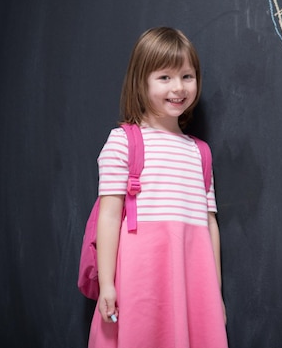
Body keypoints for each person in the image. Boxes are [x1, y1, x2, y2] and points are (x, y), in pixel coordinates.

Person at [88, 27, 228, 348]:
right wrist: (107, 284)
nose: (178, 87)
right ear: (142, 81)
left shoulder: (200, 152)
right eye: (164, 77)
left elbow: (209, 224)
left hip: (192, 277)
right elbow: (108, 217)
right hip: (142, 277)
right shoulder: (124, 141)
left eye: (187, 76)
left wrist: (214, 294)